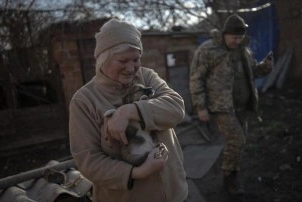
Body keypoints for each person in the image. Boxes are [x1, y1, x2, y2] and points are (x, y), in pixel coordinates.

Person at [69, 18, 188, 202]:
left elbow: (175, 107)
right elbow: (88, 161)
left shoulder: (146, 77)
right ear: (102, 59)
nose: (131, 68)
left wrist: (130, 111)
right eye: (123, 60)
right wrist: (136, 173)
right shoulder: (84, 101)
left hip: (174, 193)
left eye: (136, 59)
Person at [189, 14, 273, 195]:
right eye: (234, 37)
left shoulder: (244, 50)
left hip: (243, 107)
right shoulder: (208, 50)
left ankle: (233, 172)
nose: (238, 40)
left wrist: (265, 67)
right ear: (224, 34)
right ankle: (230, 179)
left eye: (240, 37)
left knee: (236, 144)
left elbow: (252, 73)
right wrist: (200, 107)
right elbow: (196, 79)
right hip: (223, 107)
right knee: (237, 140)